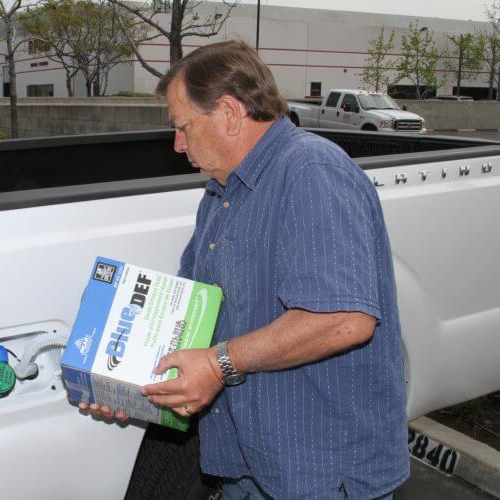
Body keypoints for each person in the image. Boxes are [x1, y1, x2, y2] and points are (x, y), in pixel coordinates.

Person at [81, 40, 409, 499]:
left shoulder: (312, 172)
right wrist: (133, 383)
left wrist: (218, 365)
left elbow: (342, 321)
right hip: (246, 466)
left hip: (318, 472)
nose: (178, 145)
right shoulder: (221, 195)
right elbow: (193, 315)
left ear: (230, 112)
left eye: (182, 127)